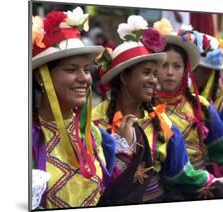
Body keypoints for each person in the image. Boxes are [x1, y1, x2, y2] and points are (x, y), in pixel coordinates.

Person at [92, 15, 223, 206]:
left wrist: (215, 183)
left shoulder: (162, 123)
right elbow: (93, 181)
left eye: (154, 73)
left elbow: (181, 172)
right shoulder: (95, 122)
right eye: (146, 73)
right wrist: (121, 150)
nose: (154, 79)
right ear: (124, 77)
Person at [31, 7, 134, 209]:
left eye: (86, 70)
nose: (84, 78)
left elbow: (107, 187)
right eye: (71, 69)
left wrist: (124, 147)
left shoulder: (93, 134)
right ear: (41, 77)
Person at [153, 19, 223, 197]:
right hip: (163, 194)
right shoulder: (148, 108)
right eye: (164, 65)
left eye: (177, 66)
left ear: (186, 69)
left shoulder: (199, 104)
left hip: (201, 189)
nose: (170, 72)